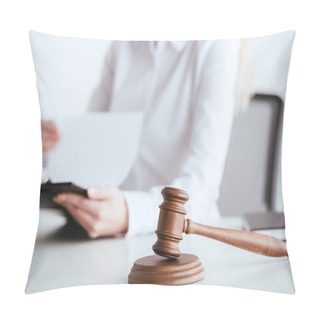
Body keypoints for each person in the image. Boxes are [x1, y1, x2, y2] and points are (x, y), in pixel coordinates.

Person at [42, 40, 241, 238]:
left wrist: (130, 213)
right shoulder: (121, 47)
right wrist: (53, 150)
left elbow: (202, 190)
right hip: (111, 235)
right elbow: (93, 149)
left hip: (184, 238)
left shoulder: (216, 44)